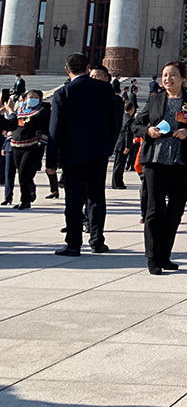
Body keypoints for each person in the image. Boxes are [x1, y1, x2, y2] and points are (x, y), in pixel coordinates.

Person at [132, 61, 187, 273]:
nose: (168, 79)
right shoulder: (155, 99)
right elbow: (136, 125)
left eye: (173, 75)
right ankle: (152, 257)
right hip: (155, 161)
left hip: (180, 161)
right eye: (165, 75)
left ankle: (165, 255)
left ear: (183, 78)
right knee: (154, 209)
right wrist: (148, 131)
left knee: (176, 210)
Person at [47, 53, 123, 257]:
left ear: (67, 70)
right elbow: (115, 122)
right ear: (88, 67)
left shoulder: (63, 92)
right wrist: (109, 146)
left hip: (72, 155)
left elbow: (55, 129)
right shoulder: (105, 89)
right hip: (98, 153)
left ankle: (73, 244)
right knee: (96, 197)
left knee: (73, 199)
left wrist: (51, 160)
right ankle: (97, 241)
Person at [11, 90, 50, 209]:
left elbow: (28, 123)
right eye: (30, 97)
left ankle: (25, 199)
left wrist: (14, 117)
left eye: (35, 97)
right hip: (17, 144)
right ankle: (29, 191)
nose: (32, 99)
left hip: (33, 145)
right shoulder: (20, 109)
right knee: (21, 173)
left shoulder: (43, 111)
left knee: (24, 171)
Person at [111, 100, 137, 190]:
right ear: (132, 109)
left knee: (117, 164)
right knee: (120, 165)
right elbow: (127, 133)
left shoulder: (121, 117)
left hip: (118, 143)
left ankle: (115, 182)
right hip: (123, 145)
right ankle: (117, 183)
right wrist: (127, 146)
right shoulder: (129, 120)